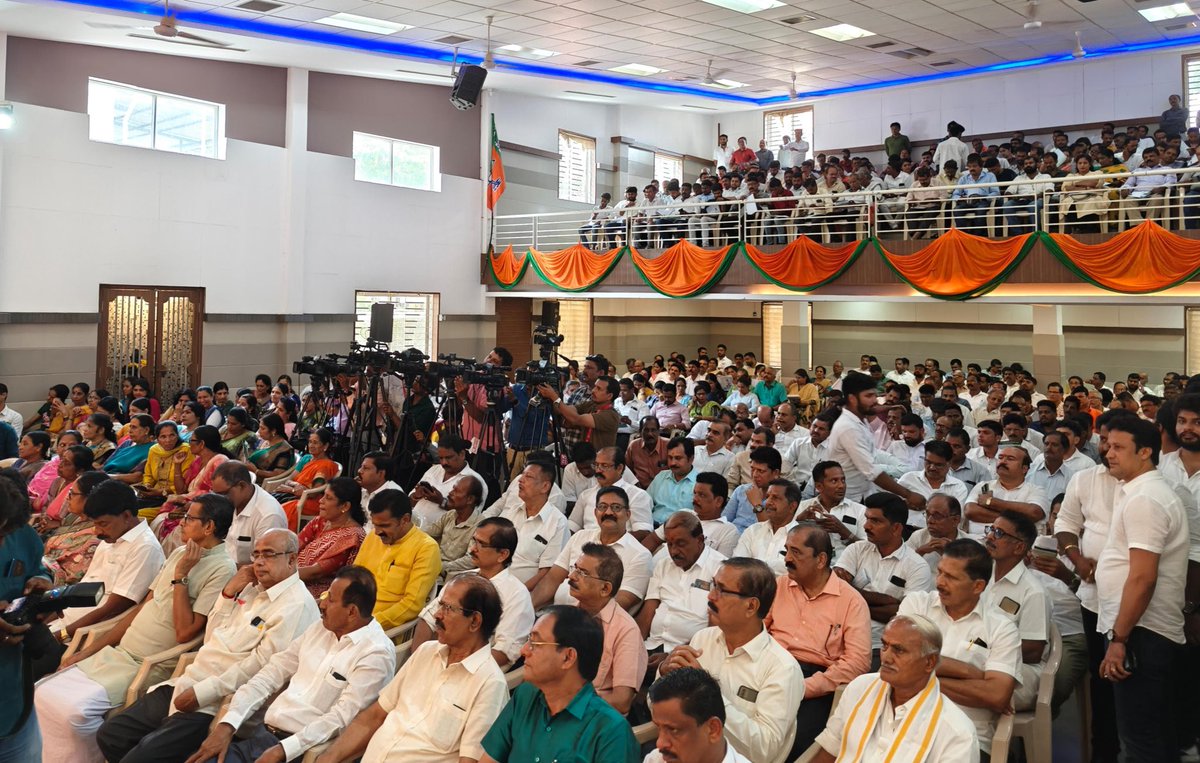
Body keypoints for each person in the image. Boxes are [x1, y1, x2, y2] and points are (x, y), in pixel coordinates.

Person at [35, 493, 236, 762]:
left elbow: (186, 633)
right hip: (119, 653)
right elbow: (142, 608)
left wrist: (181, 577)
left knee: (73, 711)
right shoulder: (179, 552)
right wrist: (89, 650)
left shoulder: (222, 568)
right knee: (42, 691)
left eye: (189, 518)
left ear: (209, 526)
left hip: (150, 663)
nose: (181, 523)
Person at [95, 529, 319, 763]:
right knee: (112, 734)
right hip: (188, 681)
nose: (259, 563)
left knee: (138, 759)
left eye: (269, 555)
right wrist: (229, 591)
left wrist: (202, 693)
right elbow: (213, 636)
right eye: (256, 555)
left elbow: (262, 669)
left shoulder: (296, 606)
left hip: (218, 703)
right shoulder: (253, 587)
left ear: (292, 559)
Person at [185, 566, 396, 763]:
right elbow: (270, 674)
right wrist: (227, 725)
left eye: (330, 599)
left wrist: (283, 750)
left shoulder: (375, 653)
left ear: (352, 612)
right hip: (262, 736)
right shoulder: (320, 629)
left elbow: (341, 719)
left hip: (303, 751)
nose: (322, 604)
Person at [314, 574, 509, 763]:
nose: (437, 615)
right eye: (440, 605)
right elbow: (373, 717)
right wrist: (328, 758)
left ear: (474, 621)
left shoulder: (490, 684)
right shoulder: (426, 652)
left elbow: (470, 760)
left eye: (448, 608)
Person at [1093, 415, 1189, 761]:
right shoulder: (1137, 491)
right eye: (1108, 445)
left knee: (1141, 739)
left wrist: (1119, 640)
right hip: (1138, 629)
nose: (1108, 453)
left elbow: (1143, 577)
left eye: (1119, 447)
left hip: (1140, 633)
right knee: (1153, 735)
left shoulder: (1146, 498)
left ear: (1146, 451)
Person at [659, 557, 803, 763]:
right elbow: (658, 707)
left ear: (751, 606)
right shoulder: (703, 639)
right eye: (713, 585)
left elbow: (765, 751)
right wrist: (664, 674)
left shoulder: (782, 668)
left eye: (721, 590)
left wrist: (705, 692)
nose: (710, 596)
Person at [897, 538, 1020, 756]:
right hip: (902, 727)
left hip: (965, 740)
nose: (940, 583)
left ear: (978, 586)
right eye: (940, 572)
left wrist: (919, 676)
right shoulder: (917, 605)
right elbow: (897, 662)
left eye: (951, 577)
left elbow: (996, 695)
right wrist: (969, 672)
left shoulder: (1002, 628)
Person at [479, 605, 640, 763]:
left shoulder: (610, 731)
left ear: (568, 657)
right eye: (529, 640)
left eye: (536, 643)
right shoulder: (525, 696)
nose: (524, 650)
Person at [810, 615, 980, 762]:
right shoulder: (860, 688)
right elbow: (828, 753)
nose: (886, 657)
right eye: (884, 646)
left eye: (898, 650)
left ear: (929, 662)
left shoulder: (957, 733)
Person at [767, 524, 871, 756]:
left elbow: (858, 663)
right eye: (786, 551)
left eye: (796, 552)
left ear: (821, 559)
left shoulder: (851, 601)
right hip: (769, 668)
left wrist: (807, 687)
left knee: (792, 747)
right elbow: (757, 630)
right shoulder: (779, 585)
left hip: (815, 682)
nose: (788, 559)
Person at [411, 517, 534, 669]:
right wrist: (418, 662)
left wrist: (457, 670)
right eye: (474, 541)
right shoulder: (461, 580)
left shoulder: (517, 595)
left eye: (481, 544)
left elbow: (504, 652)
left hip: (474, 673)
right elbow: (428, 619)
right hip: (435, 662)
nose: (472, 549)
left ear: (502, 554)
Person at [51, 478, 164, 639]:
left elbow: (112, 610)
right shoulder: (112, 538)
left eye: (103, 523)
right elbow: (84, 586)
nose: (97, 531)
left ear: (126, 515)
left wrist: (61, 634)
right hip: (64, 623)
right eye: (95, 524)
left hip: (80, 635)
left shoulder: (144, 548)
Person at [834, 492, 934, 663]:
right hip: (837, 638)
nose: (866, 526)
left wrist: (854, 600)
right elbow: (835, 591)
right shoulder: (856, 549)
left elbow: (906, 619)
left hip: (879, 648)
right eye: (866, 519)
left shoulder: (917, 567)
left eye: (875, 521)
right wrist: (888, 602)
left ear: (896, 528)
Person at [531, 485, 652, 613]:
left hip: (595, 627)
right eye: (602, 507)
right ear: (595, 513)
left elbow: (622, 603)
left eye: (616, 507)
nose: (609, 512)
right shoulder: (580, 537)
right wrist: (527, 610)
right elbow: (552, 579)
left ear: (627, 514)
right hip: (555, 615)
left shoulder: (639, 555)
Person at [0, 469, 51, 760]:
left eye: (4, 533)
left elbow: (36, 568)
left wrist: (42, 583)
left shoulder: (18, 530)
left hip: (12, 694)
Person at [638, 511, 728, 665]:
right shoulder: (663, 565)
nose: (673, 551)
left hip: (691, 654)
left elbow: (715, 632)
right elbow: (647, 613)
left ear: (700, 540)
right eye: (670, 544)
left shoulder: (720, 569)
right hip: (651, 647)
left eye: (681, 544)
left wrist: (672, 656)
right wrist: (634, 650)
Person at [827, 373, 927, 510]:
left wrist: (890, 407)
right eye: (868, 396)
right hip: (847, 499)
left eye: (875, 395)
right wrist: (909, 495)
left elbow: (873, 408)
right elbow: (872, 472)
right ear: (852, 399)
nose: (875, 400)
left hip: (864, 494)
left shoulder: (859, 416)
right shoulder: (848, 428)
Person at [983, 510, 1050, 711]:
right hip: (978, 659)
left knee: (959, 688)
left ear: (1019, 547)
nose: (990, 537)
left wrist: (982, 651)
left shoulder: (1033, 592)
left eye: (999, 534)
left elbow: (1032, 651)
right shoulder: (981, 575)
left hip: (1020, 671)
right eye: (991, 529)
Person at [354, 489, 441, 629]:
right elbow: (353, 576)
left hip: (381, 630)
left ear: (405, 520)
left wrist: (369, 623)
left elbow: (411, 605)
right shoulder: (373, 536)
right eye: (375, 524)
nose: (377, 531)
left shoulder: (426, 548)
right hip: (349, 615)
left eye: (384, 525)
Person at [644, 667, 752, 763]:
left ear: (713, 729)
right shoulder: (655, 759)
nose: (660, 743)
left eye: (673, 730)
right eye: (659, 728)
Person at [490, 461, 570, 587]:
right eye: (522, 475)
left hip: (524, 592)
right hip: (495, 581)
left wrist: (519, 594)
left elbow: (547, 573)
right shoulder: (513, 512)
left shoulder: (557, 523)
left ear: (545, 486)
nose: (520, 480)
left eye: (529, 477)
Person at [297, 477, 368, 597]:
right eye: (323, 495)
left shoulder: (352, 537)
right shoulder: (322, 521)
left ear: (345, 506)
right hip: (295, 577)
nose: (321, 501)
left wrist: (280, 575)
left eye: (328, 498)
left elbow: (315, 573)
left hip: (319, 592)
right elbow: (294, 546)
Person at [210, 461, 288, 567]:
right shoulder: (235, 501)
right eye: (215, 494)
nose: (219, 500)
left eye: (223, 494)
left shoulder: (268, 515)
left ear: (242, 486)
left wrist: (221, 568)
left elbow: (262, 565)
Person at [568, 446, 653, 539]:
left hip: (618, 548)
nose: (598, 470)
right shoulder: (585, 495)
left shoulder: (637, 495)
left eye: (604, 466)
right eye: (596, 465)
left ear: (619, 468)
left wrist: (609, 543)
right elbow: (571, 527)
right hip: (584, 547)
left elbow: (643, 533)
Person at [963, 444, 1050, 535]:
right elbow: (970, 511)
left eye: (1010, 459)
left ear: (1024, 469)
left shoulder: (1036, 490)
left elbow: (1034, 513)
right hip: (978, 544)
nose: (1003, 461)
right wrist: (1019, 520)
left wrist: (991, 502)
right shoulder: (983, 486)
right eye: (1000, 457)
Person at [409, 434, 485, 530]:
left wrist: (441, 501)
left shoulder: (474, 481)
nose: (444, 462)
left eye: (449, 458)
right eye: (441, 458)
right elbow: (410, 502)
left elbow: (470, 521)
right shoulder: (434, 469)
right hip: (412, 528)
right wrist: (416, 495)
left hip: (441, 538)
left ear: (462, 454)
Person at [733, 479, 800, 578]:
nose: (768, 502)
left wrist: (752, 565)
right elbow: (737, 565)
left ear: (792, 506)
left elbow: (790, 569)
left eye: (775, 498)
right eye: (768, 497)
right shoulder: (753, 531)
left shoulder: (801, 536)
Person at [796, 460, 866, 553]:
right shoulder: (802, 508)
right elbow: (785, 540)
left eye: (843, 480)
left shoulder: (860, 510)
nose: (841, 485)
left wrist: (843, 531)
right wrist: (799, 521)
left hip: (847, 565)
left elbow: (868, 549)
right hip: (810, 564)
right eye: (834, 481)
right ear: (819, 486)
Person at [274, 428, 337, 528]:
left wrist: (292, 489)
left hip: (311, 501)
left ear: (325, 446)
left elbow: (313, 493)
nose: (311, 446)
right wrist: (296, 486)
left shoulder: (327, 465)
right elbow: (290, 479)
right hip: (293, 494)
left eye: (315, 443)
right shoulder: (306, 458)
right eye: (310, 442)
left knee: (281, 508)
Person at [426, 474, 485, 575]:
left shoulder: (480, 526)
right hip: (433, 568)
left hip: (450, 577)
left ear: (470, 499)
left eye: (456, 491)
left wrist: (439, 567)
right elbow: (427, 535)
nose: (450, 493)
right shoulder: (450, 515)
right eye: (453, 489)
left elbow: (470, 560)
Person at [906, 493, 978, 574]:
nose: (930, 520)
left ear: (955, 520)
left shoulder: (971, 545)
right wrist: (920, 552)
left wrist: (951, 555)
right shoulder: (918, 536)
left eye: (937, 516)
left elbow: (972, 578)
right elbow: (900, 569)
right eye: (927, 514)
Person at [647, 436, 699, 526]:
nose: (672, 463)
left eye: (678, 458)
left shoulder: (699, 484)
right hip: (650, 526)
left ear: (691, 459)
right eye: (670, 458)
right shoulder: (661, 476)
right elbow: (646, 503)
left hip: (678, 532)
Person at [244, 413, 295, 484]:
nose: (259, 431)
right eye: (259, 427)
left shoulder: (285, 450)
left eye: (263, 428)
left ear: (273, 431)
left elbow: (278, 474)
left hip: (261, 483)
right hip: (249, 475)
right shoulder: (266, 441)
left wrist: (256, 471)